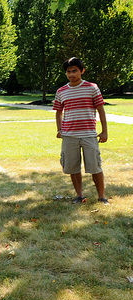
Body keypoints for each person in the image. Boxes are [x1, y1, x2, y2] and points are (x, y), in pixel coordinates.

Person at [53, 57, 109, 205]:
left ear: (82, 71)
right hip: (69, 136)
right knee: (72, 167)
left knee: (95, 167)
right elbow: (58, 112)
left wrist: (104, 131)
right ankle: (79, 195)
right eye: (68, 72)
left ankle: (102, 197)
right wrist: (59, 129)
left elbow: (101, 110)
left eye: (75, 71)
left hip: (89, 135)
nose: (71, 74)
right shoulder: (61, 91)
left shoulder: (92, 88)